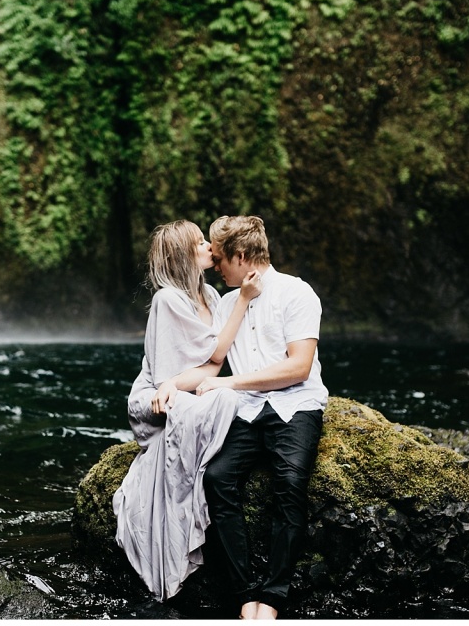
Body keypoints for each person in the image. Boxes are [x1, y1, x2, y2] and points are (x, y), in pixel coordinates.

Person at [113, 219, 263, 602]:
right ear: (183, 256)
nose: (209, 249)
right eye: (199, 244)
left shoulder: (211, 297)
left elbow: (215, 363)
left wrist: (188, 383)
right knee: (226, 400)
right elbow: (172, 375)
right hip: (157, 398)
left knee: (227, 397)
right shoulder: (168, 299)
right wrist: (244, 300)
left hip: (186, 390)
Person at [195, 215, 329, 620]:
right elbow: (214, 359)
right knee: (217, 479)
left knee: (289, 482)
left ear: (239, 256)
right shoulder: (225, 302)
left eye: (219, 260)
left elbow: (299, 367)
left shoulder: (296, 293)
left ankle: (272, 598)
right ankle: (244, 593)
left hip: (297, 404)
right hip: (248, 411)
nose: (215, 267)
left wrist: (230, 385)